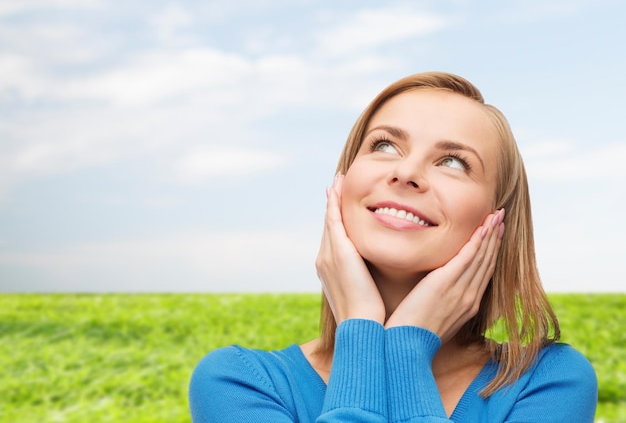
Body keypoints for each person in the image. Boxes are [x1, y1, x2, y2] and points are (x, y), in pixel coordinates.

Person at [189, 71, 598, 422]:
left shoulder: (548, 383)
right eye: (384, 145)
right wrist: (364, 332)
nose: (406, 172)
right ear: (343, 181)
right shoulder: (238, 384)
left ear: (497, 220)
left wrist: (406, 345)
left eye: (453, 161)